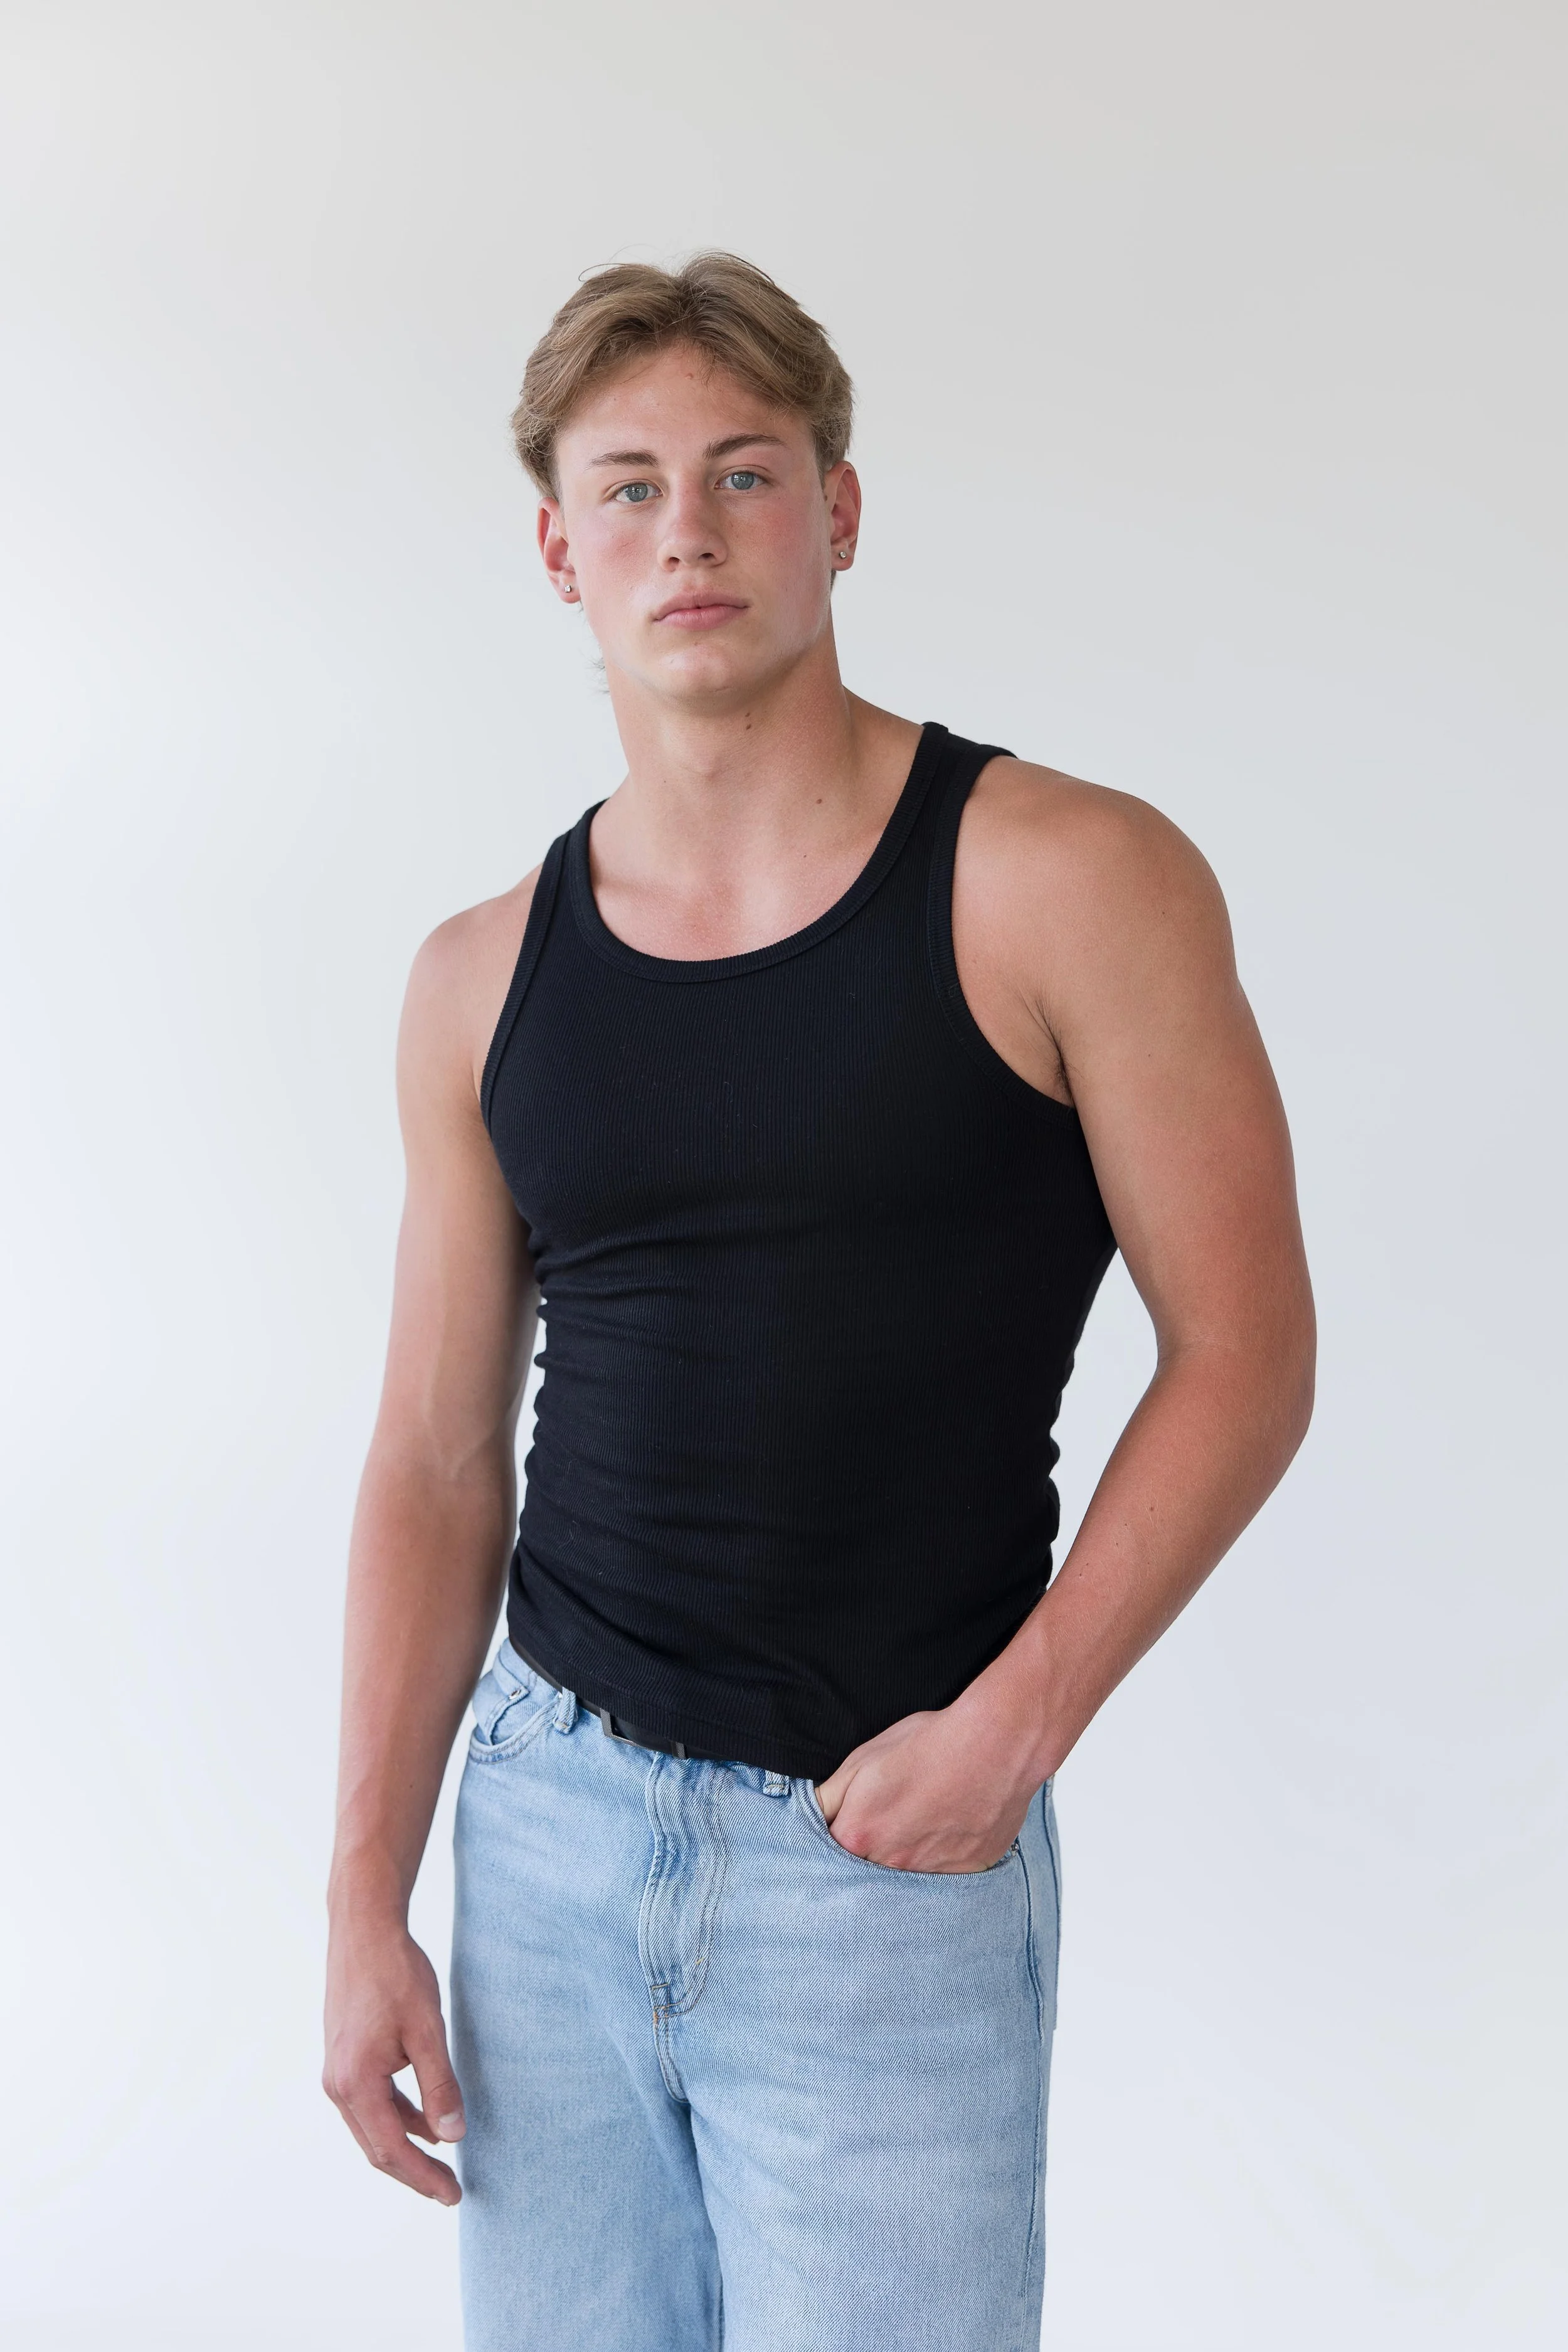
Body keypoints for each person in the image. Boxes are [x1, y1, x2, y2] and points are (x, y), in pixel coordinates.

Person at [322, 252, 1315, 2352]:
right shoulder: (477, 975)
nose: (686, 532)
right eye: (628, 489)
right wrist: (361, 1894)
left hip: (884, 1853)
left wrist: (1012, 1732)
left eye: (744, 475)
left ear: (837, 514)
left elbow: (1243, 1351)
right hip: (547, 1847)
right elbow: (430, 1458)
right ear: (559, 552)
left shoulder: (1062, 876)